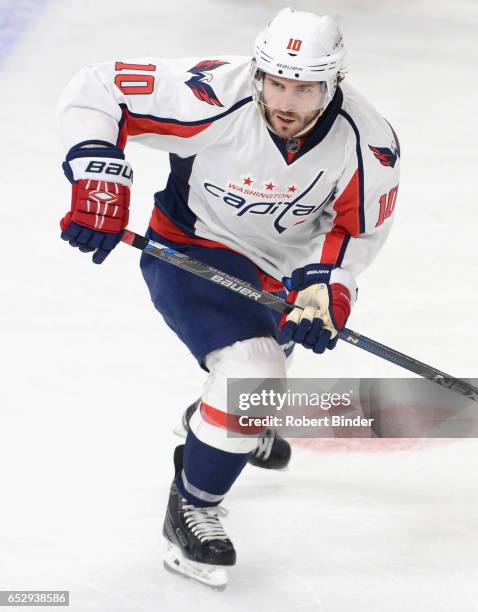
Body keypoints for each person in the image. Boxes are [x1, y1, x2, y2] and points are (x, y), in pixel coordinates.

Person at [57, 7, 400, 588]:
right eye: (278, 82)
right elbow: (98, 87)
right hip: (194, 246)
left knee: (262, 372)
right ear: (260, 71)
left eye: (306, 88)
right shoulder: (214, 94)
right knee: (255, 373)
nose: (287, 101)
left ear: (334, 83)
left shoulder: (368, 143)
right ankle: (193, 503)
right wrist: (97, 173)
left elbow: (355, 229)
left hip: (286, 272)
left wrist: (326, 288)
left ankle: (218, 420)